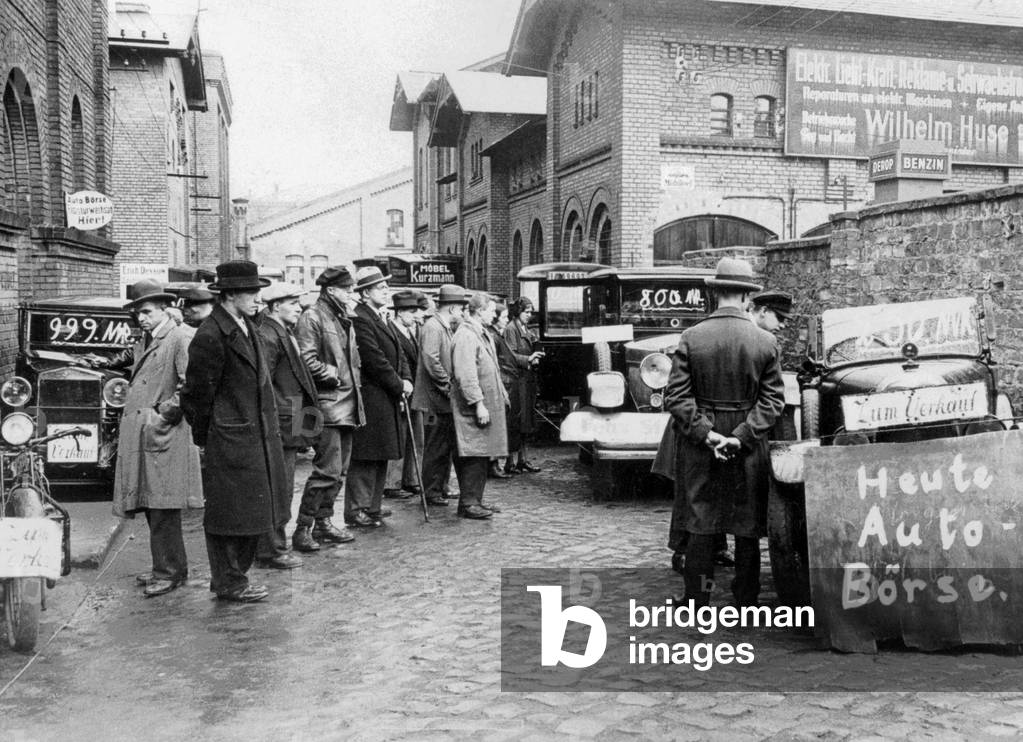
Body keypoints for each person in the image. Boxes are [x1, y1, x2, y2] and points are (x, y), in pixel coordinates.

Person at [663, 257, 785, 607]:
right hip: (748, 442)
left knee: (701, 519)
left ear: (714, 292)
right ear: (747, 298)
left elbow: (676, 396)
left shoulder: (692, 337)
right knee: (747, 524)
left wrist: (708, 435)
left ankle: (696, 600)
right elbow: (773, 400)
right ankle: (746, 601)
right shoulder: (765, 342)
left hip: (702, 442)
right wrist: (742, 436)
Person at [181, 260, 289, 603]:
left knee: (250, 511)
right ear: (229, 295)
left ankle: (236, 577)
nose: (258, 298)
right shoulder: (211, 335)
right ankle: (228, 581)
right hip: (230, 438)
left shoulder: (245, 326)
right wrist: (209, 437)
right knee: (229, 514)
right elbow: (197, 395)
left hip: (251, 435)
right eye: (251, 292)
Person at [112, 279, 203, 598]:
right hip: (146, 433)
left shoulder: (179, 337)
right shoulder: (149, 339)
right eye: (138, 313)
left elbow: (190, 383)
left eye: (147, 311)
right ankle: (163, 566)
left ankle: (171, 572)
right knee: (152, 503)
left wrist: (164, 415)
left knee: (163, 505)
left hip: (163, 434)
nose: (141, 317)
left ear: (165, 310)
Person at [293, 266, 364, 549]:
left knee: (339, 471)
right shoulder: (312, 317)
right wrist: (331, 373)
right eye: (347, 289)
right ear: (331, 290)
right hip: (327, 406)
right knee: (326, 471)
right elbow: (305, 359)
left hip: (346, 405)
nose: (351, 294)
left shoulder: (341, 316)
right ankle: (303, 528)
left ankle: (324, 522)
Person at [255, 282, 319, 569]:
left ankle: (274, 545)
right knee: (278, 488)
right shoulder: (269, 334)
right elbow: (263, 384)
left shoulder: (282, 331)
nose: (298, 307)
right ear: (274, 306)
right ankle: (273, 549)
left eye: (298, 302)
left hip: (289, 420)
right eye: (291, 302)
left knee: (282, 487)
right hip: (281, 423)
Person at [347, 266, 411, 527]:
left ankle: (373, 505)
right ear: (364, 294)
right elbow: (375, 360)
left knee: (382, 451)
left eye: (386, 287)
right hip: (372, 396)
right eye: (380, 288)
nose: (386, 292)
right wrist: (399, 384)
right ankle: (356, 509)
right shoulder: (361, 319)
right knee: (366, 453)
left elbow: (399, 353)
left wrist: (405, 379)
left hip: (387, 395)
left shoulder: (381, 317)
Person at [450, 292, 509, 519]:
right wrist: (478, 404)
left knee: (482, 453)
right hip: (474, 407)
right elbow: (466, 375)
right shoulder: (466, 336)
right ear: (480, 310)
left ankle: (476, 499)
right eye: (491, 311)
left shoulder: (479, 333)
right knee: (474, 454)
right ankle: (468, 503)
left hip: (485, 404)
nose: (494, 316)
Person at [410, 284, 469, 507]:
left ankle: (440, 487)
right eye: (461, 309)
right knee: (435, 447)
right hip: (432, 401)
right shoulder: (433, 327)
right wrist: (448, 384)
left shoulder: (441, 326)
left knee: (443, 445)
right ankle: (431, 491)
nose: (462, 314)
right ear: (453, 308)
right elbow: (431, 360)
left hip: (440, 400)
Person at [384, 290, 425, 500]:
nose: (415, 315)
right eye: (412, 311)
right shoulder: (392, 332)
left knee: (415, 436)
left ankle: (410, 479)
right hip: (400, 390)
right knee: (399, 436)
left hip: (413, 391)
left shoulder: (410, 332)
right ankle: (392, 483)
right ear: (400, 313)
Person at [501, 297, 545, 475]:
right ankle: (511, 462)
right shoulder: (511, 329)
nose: (529, 315)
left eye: (530, 312)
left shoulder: (525, 329)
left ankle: (523, 460)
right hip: (518, 381)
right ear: (518, 311)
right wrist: (528, 358)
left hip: (527, 379)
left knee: (526, 421)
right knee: (516, 421)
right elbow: (509, 355)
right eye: (526, 312)